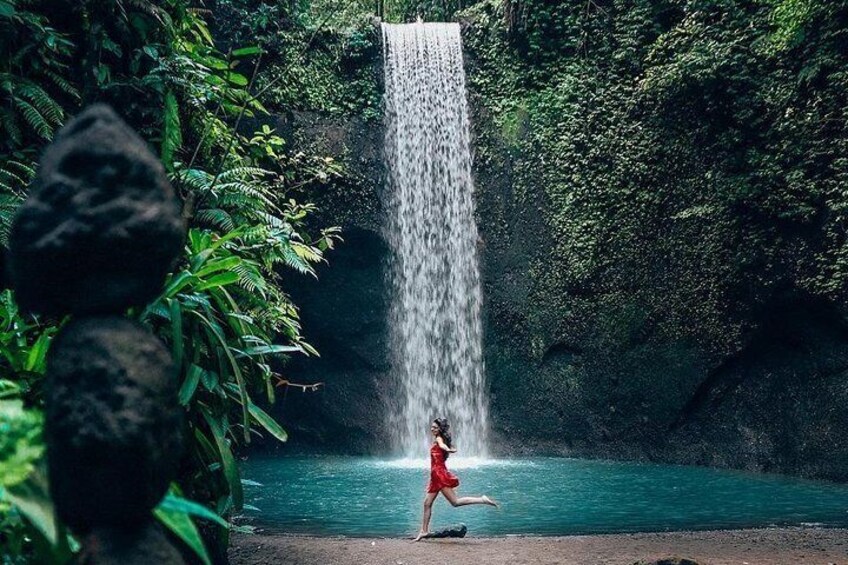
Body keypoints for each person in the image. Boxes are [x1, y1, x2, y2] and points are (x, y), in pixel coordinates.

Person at [414, 418, 498, 541]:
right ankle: (424, 531)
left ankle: (482, 499)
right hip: (435, 476)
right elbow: (443, 447)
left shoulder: (439, 439)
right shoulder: (439, 439)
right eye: (432, 427)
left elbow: (442, 445)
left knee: (455, 502)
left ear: (440, 429)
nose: (433, 429)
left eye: (435, 428)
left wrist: (447, 449)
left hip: (439, 475)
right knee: (427, 503)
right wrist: (449, 448)